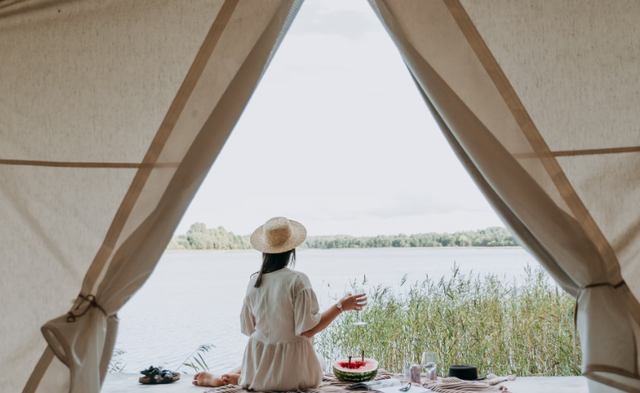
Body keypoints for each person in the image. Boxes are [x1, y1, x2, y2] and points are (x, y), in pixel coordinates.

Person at [193, 217, 367, 390]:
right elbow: (308, 330)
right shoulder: (297, 280)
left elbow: (248, 329)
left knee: (264, 353)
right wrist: (340, 306)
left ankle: (232, 377)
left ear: (265, 250)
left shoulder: (254, 282)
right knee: (319, 360)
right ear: (292, 249)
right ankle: (237, 377)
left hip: (258, 371)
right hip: (293, 376)